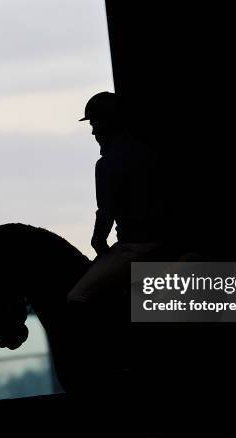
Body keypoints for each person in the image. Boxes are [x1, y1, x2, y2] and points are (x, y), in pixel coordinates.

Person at [66, 91, 170, 307]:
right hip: (165, 239)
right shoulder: (150, 152)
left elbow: (105, 212)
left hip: (137, 246)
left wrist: (98, 241)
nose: (93, 131)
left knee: (77, 297)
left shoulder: (107, 164)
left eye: (94, 124)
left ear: (107, 124)